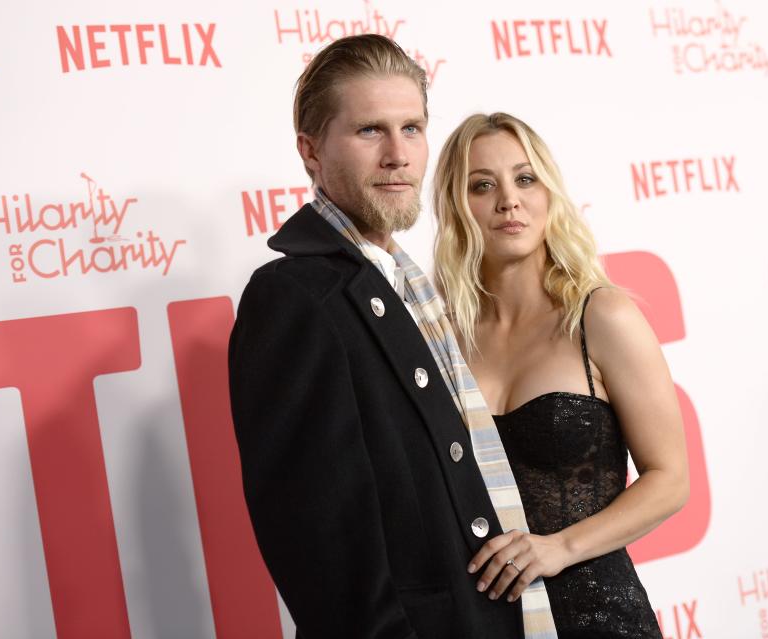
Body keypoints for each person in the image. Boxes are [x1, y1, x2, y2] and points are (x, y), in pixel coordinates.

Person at [228, 37, 559, 638]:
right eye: (369, 131)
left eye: (411, 128)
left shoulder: (409, 284)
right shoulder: (294, 297)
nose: (398, 155)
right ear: (311, 151)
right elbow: (319, 544)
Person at [432, 112, 690, 638]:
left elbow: (670, 480)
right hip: (484, 620)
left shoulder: (600, 316)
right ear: (457, 207)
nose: (509, 199)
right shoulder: (442, 341)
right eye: (483, 185)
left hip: (599, 617)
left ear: (549, 193)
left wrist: (558, 548)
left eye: (525, 179)